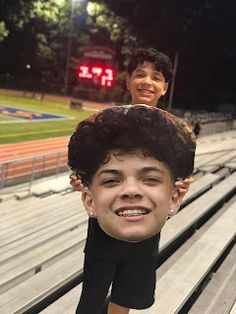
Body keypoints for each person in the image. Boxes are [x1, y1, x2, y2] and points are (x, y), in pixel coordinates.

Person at [68, 105, 196, 313]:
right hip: (102, 245)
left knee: (126, 297)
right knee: (93, 298)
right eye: (111, 181)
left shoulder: (166, 137)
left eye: (150, 179)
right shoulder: (106, 126)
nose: (131, 191)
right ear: (89, 200)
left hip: (143, 249)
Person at [70, 47, 193, 192]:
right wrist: (82, 181)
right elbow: (90, 170)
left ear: (164, 88)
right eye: (140, 75)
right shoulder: (104, 124)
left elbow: (177, 175)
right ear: (128, 82)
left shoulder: (175, 133)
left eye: (156, 78)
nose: (147, 82)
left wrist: (181, 184)